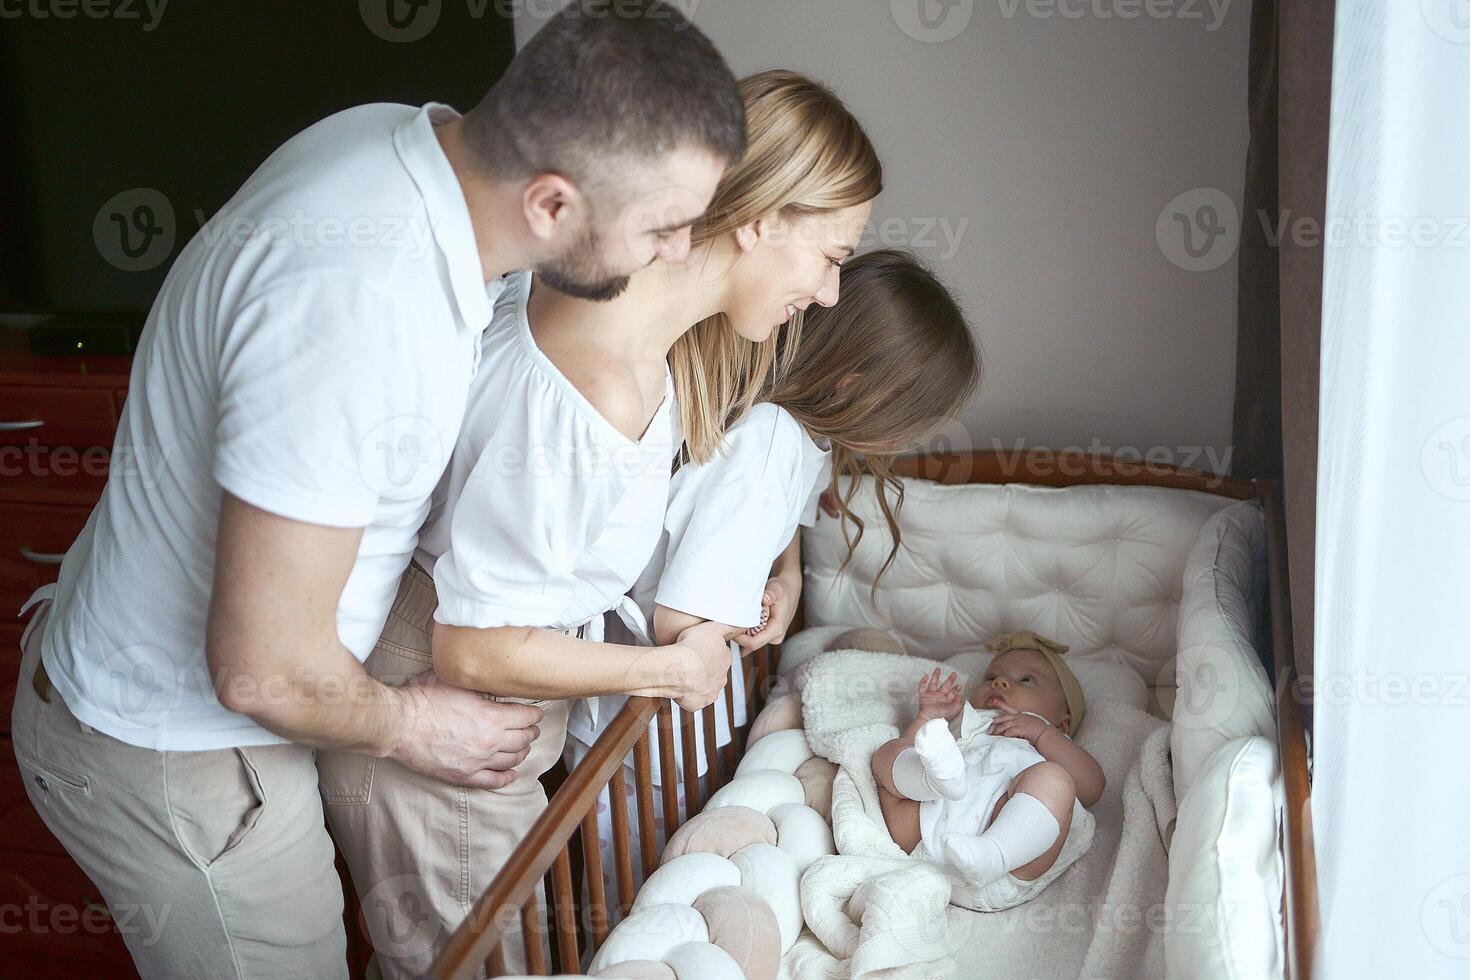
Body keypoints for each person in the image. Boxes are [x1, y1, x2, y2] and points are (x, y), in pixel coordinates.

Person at [10, 4, 745, 976]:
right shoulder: (357, 308)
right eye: (664, 226)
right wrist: (415, 723)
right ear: (553, 205)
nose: (681, 251)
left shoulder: (404, 143)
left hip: (185, 688)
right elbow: (264, 670)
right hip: (181, 754)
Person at [319, 67, 882, 976]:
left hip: (488, 694)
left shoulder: (625, 318)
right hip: (449, 694)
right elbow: (471, 644)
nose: (826, 295)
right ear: (762, 218)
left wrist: (781, 567)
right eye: (833, 256)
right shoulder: (597, 384)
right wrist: (667, 669)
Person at [575, 249, 983, 889]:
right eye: (905, 422)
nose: (902, 443)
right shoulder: (767, 440)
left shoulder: (805, 438)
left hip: (697, 695)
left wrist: (788, 581)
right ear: (858, 386)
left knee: (695, 834)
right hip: (650, 708)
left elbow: (785, 523)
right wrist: (740, 620)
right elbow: (679, 620)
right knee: (643, 870)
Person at [871, 630, 1105, 912]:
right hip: (920, 837)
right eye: (991, 677)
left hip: (1005, 865)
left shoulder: (1052, 740)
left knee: (1055, 780)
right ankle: (934, 781)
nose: (1000, 682)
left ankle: (992, 853)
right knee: (888, 752)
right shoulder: (961, 724)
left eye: (1026, 680)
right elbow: (914, 748)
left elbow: (1092, 787)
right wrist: (928, 718)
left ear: (1062, 722)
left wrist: (1042, 734)